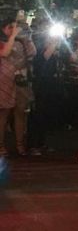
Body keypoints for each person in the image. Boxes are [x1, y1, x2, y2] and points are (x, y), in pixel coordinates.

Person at [0, 16, 36, 157]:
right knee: (3, 114)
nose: (13, 30)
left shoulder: (21, 42)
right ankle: (1, 146)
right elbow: (6, 52)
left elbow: (33, 53)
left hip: (20, 81)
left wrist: (28, 37)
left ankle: (20, 145)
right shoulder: (2, 42)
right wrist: (13, 36)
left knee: (20, 113)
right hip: (4, 81)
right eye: (10, 27)